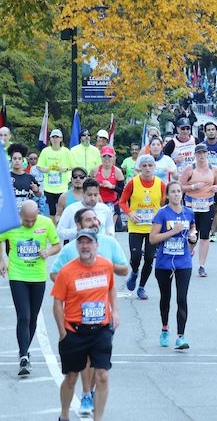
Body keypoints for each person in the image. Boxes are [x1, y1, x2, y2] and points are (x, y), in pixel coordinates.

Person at [49, 208, 128, 415]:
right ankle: (64, 414)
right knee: (72, 377)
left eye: (88, 242)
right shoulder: (67, 271)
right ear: (77, 245)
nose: (85, 246)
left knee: (102, 375)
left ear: (96, 245)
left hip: (101, 329)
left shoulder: (105, 266)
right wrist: (63, 333)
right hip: (74, 331)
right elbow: (57, 303)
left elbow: (110, 287)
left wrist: (115, 311)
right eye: (81, 242)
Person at [0, 201, 61, 376]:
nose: (30, 223)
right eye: (27, 221)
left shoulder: (45, 223)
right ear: (20, 216)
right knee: (24, 316)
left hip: (38, 276)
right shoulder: (11, 224)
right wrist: (1, 260)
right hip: (18, 275)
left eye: (33, 220)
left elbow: (57, 245)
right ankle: (24, 357)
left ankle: (24, 350)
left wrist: (48, 252)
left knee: (33, 317)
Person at [150, 181, 198, 350]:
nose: (177, 194)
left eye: (179, 191)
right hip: (164, 263)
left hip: (183, 262)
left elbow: (192, 232)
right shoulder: (162, 214)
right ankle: (164, 329)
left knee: (182, 298)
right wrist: (172, 232)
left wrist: (193, 241)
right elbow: (152, 239)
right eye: (173, 192)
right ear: (167, 195)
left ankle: (181, 336)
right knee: (166, 298)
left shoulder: (189, 213)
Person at [120, 155, 167, 297]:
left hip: (153, 228)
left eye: (150, 165)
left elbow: (165, 204)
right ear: (140, 167)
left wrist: (160, 217)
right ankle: (134, 272)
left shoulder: (161, 184)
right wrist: (130, 213)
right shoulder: (132, 183)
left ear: (154, 167)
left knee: (148, 258)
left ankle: (141, 287)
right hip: (136, 226)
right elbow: (122, 202)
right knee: (135, 257)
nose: (147, 168)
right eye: (144, 166)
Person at [180, 144, 217, 277]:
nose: (202, 156)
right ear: (195, 155)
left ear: (207, 154)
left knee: (204, 236)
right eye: (199, 153)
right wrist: (193, 186)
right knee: (192, 235)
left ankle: (202, 265)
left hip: (207, 204)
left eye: (204, 153)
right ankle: (190, 252)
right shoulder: (189, 169)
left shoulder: (213, 169)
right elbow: (180, 186)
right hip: (191, 205)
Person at [57, 178, 115, 242]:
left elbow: (109, 226)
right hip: (78, 249)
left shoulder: (105, 209)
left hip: (100, 249)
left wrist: (110, 234)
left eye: (95, 195)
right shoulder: (71, 210)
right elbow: (60, 232)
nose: (93, 198)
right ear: (83, 193)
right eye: (89, 195)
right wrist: (79, 230)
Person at [38, 129, 74, 222]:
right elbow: (39, 167)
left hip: (62, 187)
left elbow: (73, 166)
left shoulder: (66, 151)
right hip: (49, 187)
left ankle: (61, 228)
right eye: (53, 137)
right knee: (52, 210)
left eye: (57, 137)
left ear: (61, 139)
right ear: (50, 139)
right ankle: (53, 229)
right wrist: (44, 169)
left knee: (62, 209)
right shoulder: (45, 151)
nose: (55, 139)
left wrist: (63, 169)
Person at [95, 146, 124, 226]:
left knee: (110, 229)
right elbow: (88, 187)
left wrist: (112, 187)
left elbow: (122, 191)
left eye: (109, 156)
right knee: (99, 228)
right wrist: (97, 185)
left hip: (112, 204)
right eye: (104, 156)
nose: (107, 159)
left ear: (113, 158)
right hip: (98, 203)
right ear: (101, 157)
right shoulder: (95, 170)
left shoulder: (117, 172)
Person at [9, 143, 41, 211]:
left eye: (19, 159)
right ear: (11, 160)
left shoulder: (29, 177)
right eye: (14, 158)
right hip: (10, 212)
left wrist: (36, 191)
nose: (17, 161)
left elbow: (39, 195)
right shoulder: (6, 177)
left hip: (25, 213)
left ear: (23, 161)